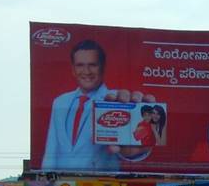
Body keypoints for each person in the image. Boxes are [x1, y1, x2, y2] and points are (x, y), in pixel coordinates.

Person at [41, 39, 156, 172]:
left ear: (102, 67)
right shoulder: (60, 102)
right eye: (80, 65)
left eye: (92, 65)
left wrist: (137, 150)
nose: (86, 71)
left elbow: (129, 150)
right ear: (73, 69)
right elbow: (51, 151)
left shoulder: (118, 101)